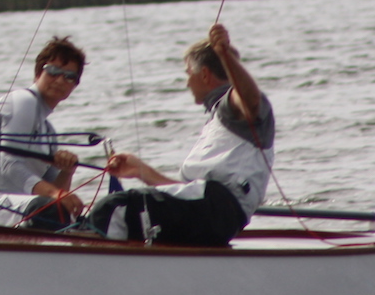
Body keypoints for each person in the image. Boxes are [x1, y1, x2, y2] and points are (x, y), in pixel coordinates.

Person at [90, 22, 274, 246]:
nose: (187, 82)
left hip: (220, 210)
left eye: (188, 73)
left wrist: (224, 55)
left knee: (115, 207)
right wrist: (142, 171)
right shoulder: (217, 119)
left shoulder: (233, 109)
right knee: (114, 213)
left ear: (204, 74)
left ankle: (89, 254)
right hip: (212, 211)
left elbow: (250, 99)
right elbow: (188, 194)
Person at [0, 36, 86, 230]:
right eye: (53, 71)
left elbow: (53, 191)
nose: (59, 80)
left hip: (16, 211)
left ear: (74, 85)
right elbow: (10, 166)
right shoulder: (23, 101)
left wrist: (67, 171)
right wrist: (55, 195)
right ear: (38, 74)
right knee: (51, 209)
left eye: (69, 76)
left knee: (68, 213)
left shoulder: (49, 132)